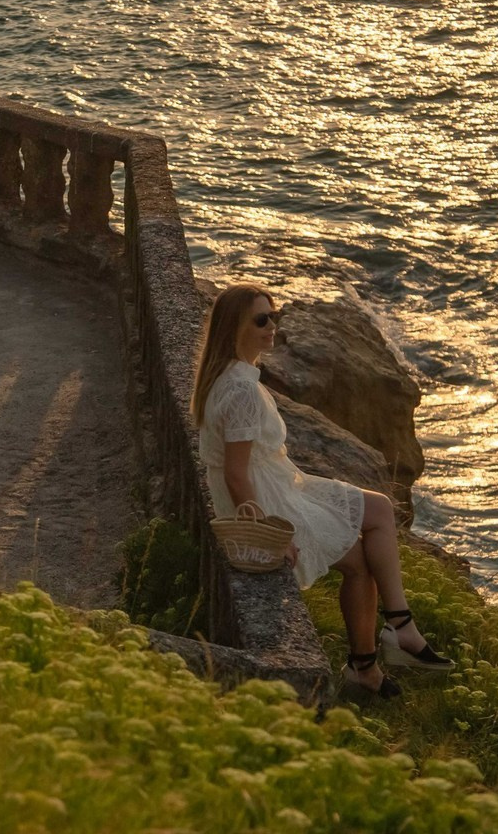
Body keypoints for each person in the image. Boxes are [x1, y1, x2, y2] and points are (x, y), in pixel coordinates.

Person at [193, 283, 452, 697]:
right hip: (268, 500)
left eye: (274, 316)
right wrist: (272, 534)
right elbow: (237, 475)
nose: (272, 326)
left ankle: (394, 632)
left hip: (277, 486)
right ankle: (376, 657)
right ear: (234, 327)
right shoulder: (241, 389)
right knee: (363, 557)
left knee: (380, 510)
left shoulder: (232, 376)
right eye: (261, 319)